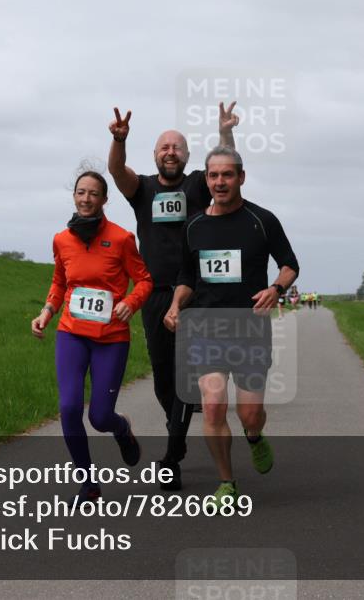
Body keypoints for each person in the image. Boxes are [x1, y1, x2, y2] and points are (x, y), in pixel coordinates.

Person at [107, 103, 238, 491]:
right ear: (154, 155)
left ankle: (171, 454)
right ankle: (175, 431)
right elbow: (116, 171)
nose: (170, 152)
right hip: (154, 295)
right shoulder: (143, 189)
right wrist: (118, 141)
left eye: (177, 147)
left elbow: (224, 163)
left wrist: (225, 131)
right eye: (164, 147)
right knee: (164, 378)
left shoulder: (197, 184)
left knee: (185, 374)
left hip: (195, 294)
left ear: (186, 156)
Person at [163, 145, 299, 504]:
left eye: (227, 175)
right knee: (212, 404)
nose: (219, 182)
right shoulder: (194, 226)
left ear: (241, 177)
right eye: (213, 175)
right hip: (208, 329)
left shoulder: (262, 220)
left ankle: (254, 436)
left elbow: (289, 264)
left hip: (250, 330)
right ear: (205, 179)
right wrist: (176, 304)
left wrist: (276, 288)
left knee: (250, 414)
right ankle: (227, 482)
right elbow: (186, 276)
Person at [32, 170, 153, 504]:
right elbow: (60, 281)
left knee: (99, 417)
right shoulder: (61, 239)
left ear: (104, 199)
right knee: (69, 408)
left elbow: (144, 280)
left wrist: (131, 302)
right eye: (80, 192)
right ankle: (88, 484)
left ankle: (121, 429)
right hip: (71, 333)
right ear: (74, 195)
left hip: (111, 337)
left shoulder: (122, 238)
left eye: (93, 194)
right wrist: (46, 311)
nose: (86, 199)